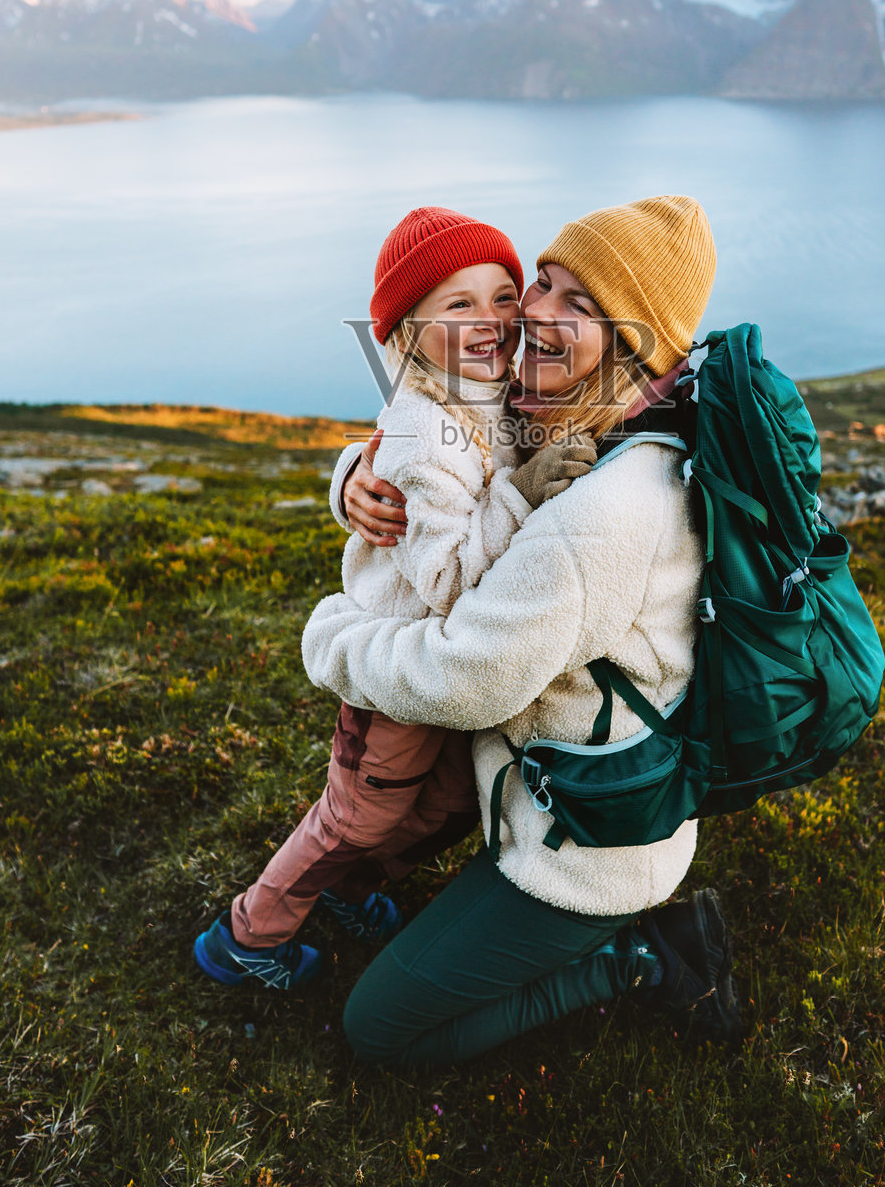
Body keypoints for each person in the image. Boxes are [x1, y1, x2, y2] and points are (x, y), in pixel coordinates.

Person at [303, 195, 743, 1070]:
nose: (534, 313)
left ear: (631, 344)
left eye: (579, 305)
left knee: (379, 1030)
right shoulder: (585, 417)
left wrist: (331, 639)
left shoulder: (613, 507)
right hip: (533, 798)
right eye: (541, 281)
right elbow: (437, 428)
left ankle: (641, 956)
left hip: (582, 853)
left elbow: (467, 678)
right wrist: (352, 474)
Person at [194, 206, 594, 989]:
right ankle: (247, 935)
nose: (492, 321)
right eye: (457, 305)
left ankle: (349, 890)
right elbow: (444, 579)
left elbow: (403, 452)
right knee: (358, 817)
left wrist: (349, 477)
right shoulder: (425, 424)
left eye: (504, 295)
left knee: (448, 801)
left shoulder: (486, 388)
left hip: (449, 667)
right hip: (399, 670)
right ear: (407, 335)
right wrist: (520, 494)